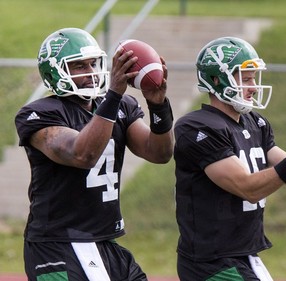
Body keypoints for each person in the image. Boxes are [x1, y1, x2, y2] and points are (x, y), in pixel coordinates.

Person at [173, 36, 286, 281]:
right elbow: (247, 188)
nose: (254, 87)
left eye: (254, 78)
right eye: (246, 79)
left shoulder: (255, 123)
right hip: (211, 261)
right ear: (216, 80)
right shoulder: (197, 127)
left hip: (244, 255)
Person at [15, 27, 174, 280]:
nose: (90, 72)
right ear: (55, 72)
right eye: (79, 66)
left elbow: (159, 153)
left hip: (106, 243)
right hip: (56, 245)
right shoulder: (39, 114)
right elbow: (82, 155)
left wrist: (158, 105)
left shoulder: (121, 106)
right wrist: (113, 96)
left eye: (93, 63)